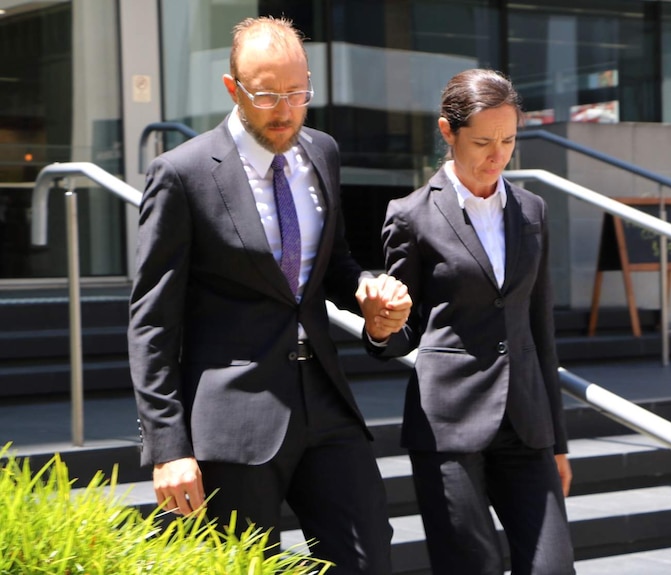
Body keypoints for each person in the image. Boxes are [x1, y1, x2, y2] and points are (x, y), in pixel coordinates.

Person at [127, 16, 410, 574]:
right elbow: (152, 321)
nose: (285, 111)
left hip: (325, 404)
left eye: (298, 93)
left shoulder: (322, 153)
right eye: (267, 95)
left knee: (368, 555)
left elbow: (333, 264)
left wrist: (368, 297)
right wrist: (168, 447)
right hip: (232, 421)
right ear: (233, 90)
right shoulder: (182, 175)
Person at [371, 69, 576, 574]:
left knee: (553, 567)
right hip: (449, 424)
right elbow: (404, 330)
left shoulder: (533, 211)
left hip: (526, 424)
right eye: (483, 141)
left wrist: (559, 441)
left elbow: (538, 327)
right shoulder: (410, 216)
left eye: (508, 140)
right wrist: (382, 327)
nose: (498, 154)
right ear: (448, 132)